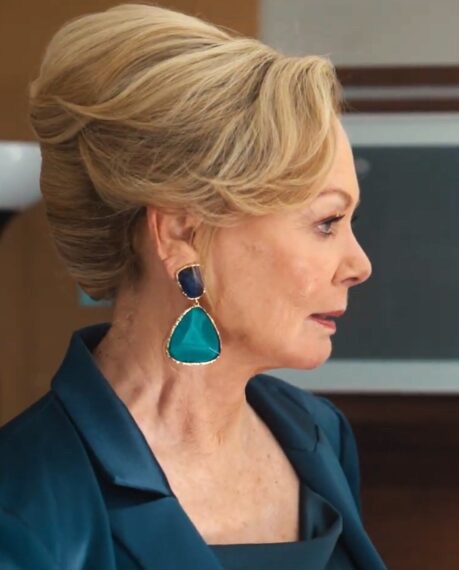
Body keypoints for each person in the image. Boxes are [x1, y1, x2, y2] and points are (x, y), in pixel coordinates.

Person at [0, 5, 385, 569]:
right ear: (183, 234)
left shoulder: (318, 434)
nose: (359, 264)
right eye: (326, 222)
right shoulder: (23, 503)